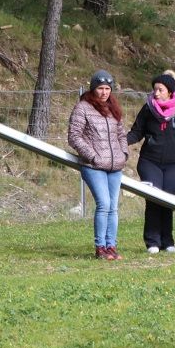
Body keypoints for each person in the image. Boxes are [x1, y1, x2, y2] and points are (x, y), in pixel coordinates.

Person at [127, 71, 175, 254]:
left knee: (168, 201)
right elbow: (136, 132)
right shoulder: (148, 108)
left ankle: (168, 241)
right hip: (150, 161)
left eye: (160, 89)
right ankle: (152, 242)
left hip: (174, 163)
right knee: (154, 199)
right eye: (154, 89)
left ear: (170, 92)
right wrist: (121, 142)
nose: (156, 93)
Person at [68, 70, 128, 260]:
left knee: (114, 207)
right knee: (104, 204)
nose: (104, 93)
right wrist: (92, 156)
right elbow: (74, 136)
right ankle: (100, 247)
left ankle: (111, 246)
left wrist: (124, 153)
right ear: (93, 89)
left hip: (115, 166)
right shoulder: (82, 108)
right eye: (101, 88)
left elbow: (121, 134)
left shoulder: (113, 109)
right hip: (93, 166)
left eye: (107, 89)